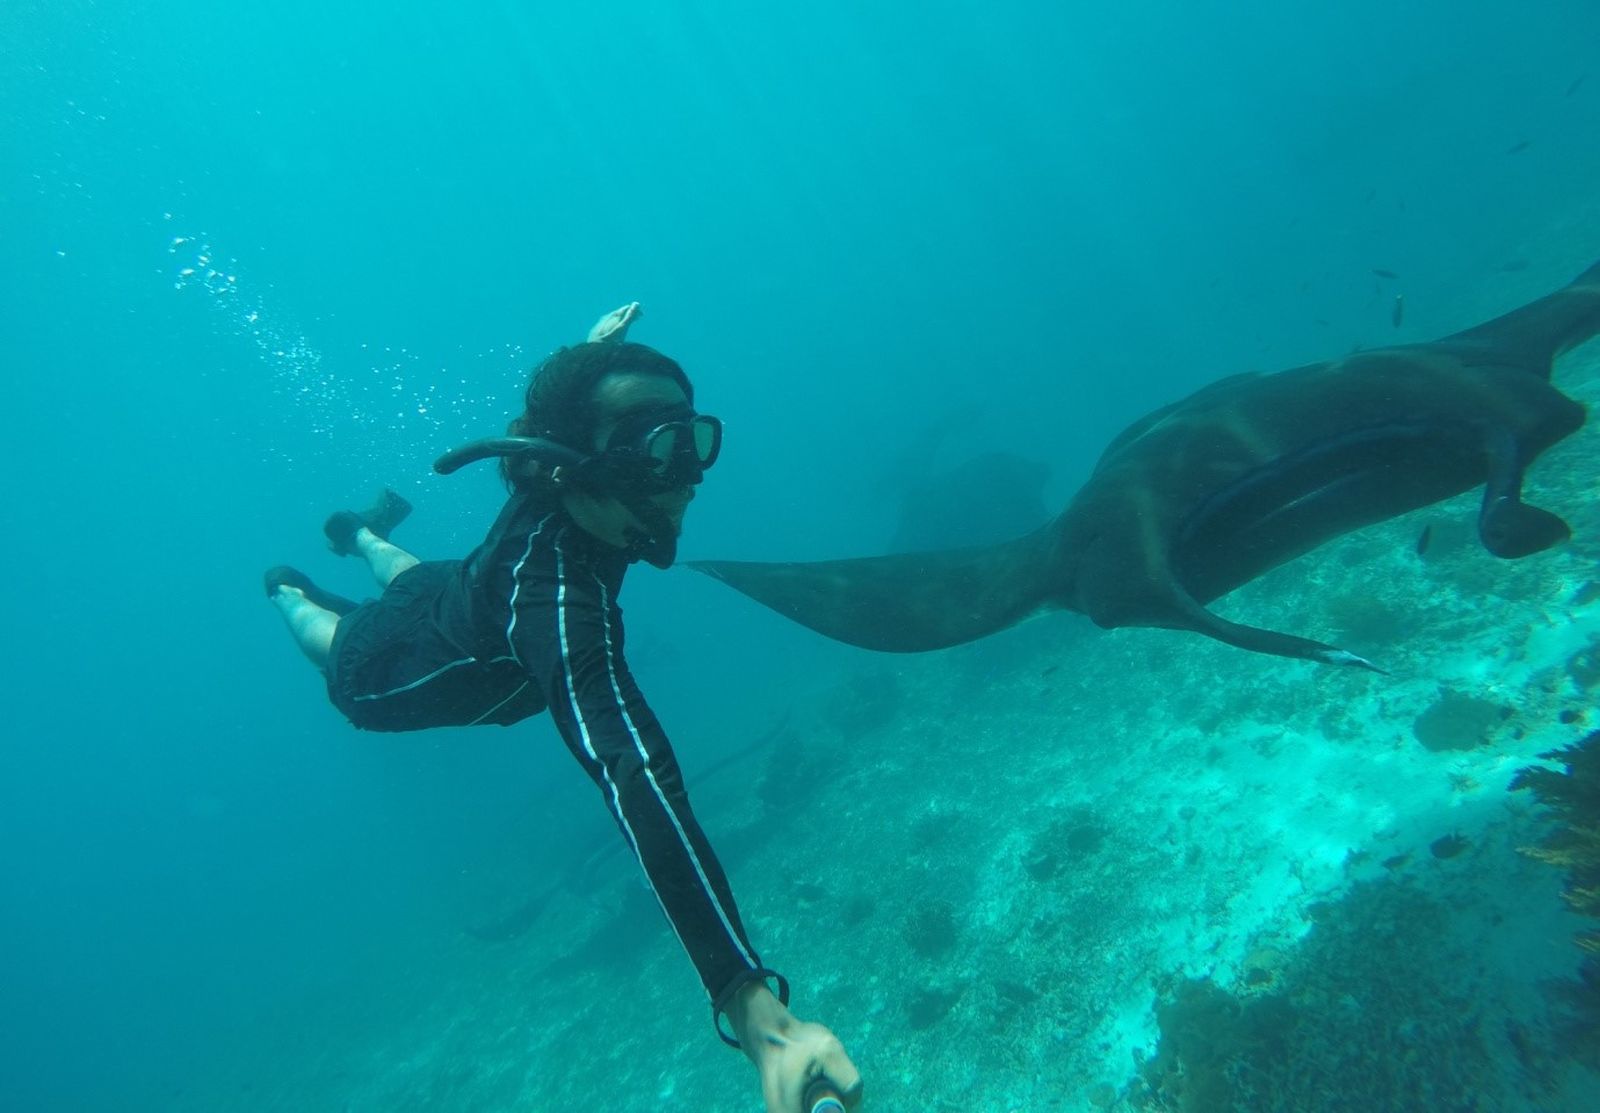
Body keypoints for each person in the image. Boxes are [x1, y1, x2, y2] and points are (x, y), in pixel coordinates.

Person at [264, 304, 861, 1113]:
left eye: (694, 439)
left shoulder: (555, 469)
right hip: (414, 662)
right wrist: (762, 1016)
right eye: (659, 449)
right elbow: (632, 770)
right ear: (577, 463)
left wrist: (593, 348)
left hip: (457, 588)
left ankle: (366, 536)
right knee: (333, 646)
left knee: (408, 576)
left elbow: (552, 411)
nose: (689, 473)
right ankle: (288, 585)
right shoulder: (555, 604)